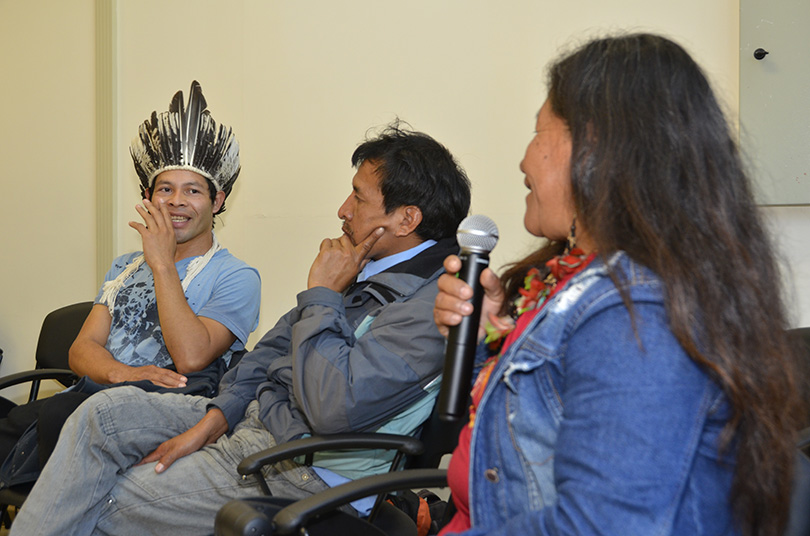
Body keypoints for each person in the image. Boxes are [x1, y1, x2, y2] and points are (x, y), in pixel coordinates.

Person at [9, 123, 472, 535]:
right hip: (249, 421)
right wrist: (215, 419)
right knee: (102, 415)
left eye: (358, 196)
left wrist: (324, 295)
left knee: (106, 500)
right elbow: (265, 354)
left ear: (406, 219)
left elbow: (334, 409)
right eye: (164, 190)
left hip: (300, 465)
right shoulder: (364, 270)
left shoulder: (435, 304)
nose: (342, 209)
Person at [433, 34, 805, 536]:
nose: (523, 160)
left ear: (592, 146)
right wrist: (486, 339)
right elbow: (523, 434)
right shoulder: (590, 284)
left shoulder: (635, 311)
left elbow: (602, 526)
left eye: (538, 132)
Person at [0, 80, 261, 486]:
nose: (176, 201)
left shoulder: (237, 277)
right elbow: (81, 349)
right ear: (147, 196)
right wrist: (124, 373)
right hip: (94, 395)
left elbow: (192, 357)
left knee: (54, 427)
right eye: (165, 189)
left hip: (160, 417)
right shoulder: (123, 266)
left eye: (192, 190)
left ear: (218, 200)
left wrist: (161, 265)